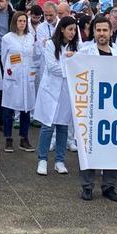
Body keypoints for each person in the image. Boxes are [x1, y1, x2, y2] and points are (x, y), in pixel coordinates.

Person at [77, 16, 117, 202]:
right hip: (90, 109)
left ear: (111, 32)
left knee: (112, 147)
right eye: (98, 30)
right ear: (93, 32)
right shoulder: (84, 53)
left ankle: (109, 186)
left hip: (113, 109)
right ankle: (87, 186)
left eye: (105, 30)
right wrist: (71, 59)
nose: (101, 33)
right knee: (88, 147)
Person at [33, 16, 78, 176]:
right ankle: (42, 159)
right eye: (70, 29)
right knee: (48, 126)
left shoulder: (75, 47)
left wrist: (73, 61)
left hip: (66, 91)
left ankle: (60, 161)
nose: (72, 33)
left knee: (63, 126)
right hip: (50, 91)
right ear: (62, 29)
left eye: (74, 30)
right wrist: (69, 64)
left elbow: (79, 66)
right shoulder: (51, 44)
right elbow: (53, 67)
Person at [0, 11, 35, 153]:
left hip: (27, 77)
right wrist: (11, 70)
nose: (22, 23)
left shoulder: (30, 37)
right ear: (14, 22)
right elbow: (4, 58)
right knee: (9, 108)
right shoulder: (7, 38)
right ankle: (8, 138)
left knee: (26, 109)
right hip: (13, 77)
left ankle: (24, 138)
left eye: (24, 21)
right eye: (19, 21)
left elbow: (33, 56)